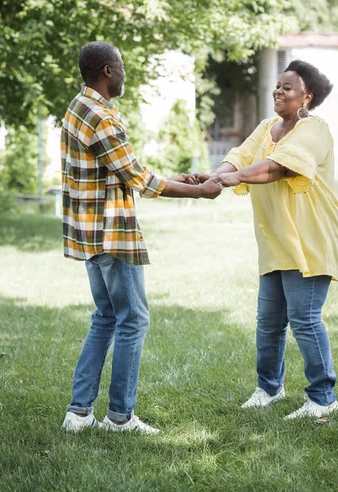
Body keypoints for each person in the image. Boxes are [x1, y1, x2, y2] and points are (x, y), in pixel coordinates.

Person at [61, 41, 222, 434]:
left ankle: (79, 413)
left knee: (106, 317)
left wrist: (174, 179)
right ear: (107, 71)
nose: (124, 73)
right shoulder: (102, 116)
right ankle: (120, 416)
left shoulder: (78, 107)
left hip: (89, 232)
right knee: (133, 319)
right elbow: (137, 179)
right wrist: (200, 191)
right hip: (110, 233)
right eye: (121, 66)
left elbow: (125, 167)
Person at [200, 59, 338, 420]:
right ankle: (269, 389)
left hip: (309, 241)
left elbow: (276, 167)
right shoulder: (268, 127)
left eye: (288, 87)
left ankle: (323, 398)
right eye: (278, 85)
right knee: (269, 322)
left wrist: (229, 180)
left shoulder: (315, 130)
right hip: (275, 243)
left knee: (305, 319)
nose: (278, 91)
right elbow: (238, 158)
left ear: (306, 97)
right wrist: (212, 177)